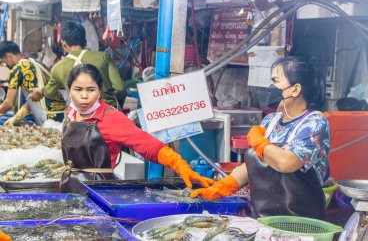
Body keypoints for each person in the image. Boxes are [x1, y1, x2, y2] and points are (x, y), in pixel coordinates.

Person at [191, 56, 330, 220]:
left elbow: (287, 162)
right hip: (265, 218)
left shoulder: (314, 122)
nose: (270, 87)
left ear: (295, 89)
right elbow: (252, 164)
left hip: (302, 221)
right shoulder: (271, 121)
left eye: (275, 81)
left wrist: (259, 142)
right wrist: (222, 187)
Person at [60, 63, 214, 193]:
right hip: (70, 188)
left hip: (99, 192)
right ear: (69, 90)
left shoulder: (111, 118)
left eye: (91, 89)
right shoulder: (71, 113)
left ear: (99, 90)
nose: (84, 96)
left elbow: (148, 145)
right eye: (78, 89)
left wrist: (178, 163)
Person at [29, 21, 124, 109]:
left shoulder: (58, 68)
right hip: (109, 114)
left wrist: (40, 91)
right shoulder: (103, 57)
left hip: (82, 120)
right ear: (84, 41)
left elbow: (49, 92)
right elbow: (120, 88)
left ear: (63, 43)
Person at [0, 41, 66, 125]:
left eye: (4, 61)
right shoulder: (38, 64)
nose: (5, 65)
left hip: (48, 118)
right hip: (62, 115)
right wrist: (18, 116)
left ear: (9, 57)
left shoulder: (17, 70)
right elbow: (35, 96)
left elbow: (8, 104)